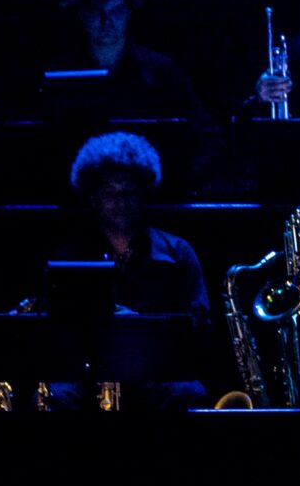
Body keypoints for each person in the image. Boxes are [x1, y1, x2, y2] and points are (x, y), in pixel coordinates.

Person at [55, 132, 211, 411]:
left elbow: (199, 324)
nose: (120, 201)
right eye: (110, 193)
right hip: (89, 375)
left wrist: (141, 326)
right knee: (56, 397)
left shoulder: (177, 251)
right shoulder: (71, 256)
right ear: (94, 199)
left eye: (129, 192)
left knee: (188, 393)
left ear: (143, 195)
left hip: (157, 374)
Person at [55, 0, 221, 183]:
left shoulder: (161, 72)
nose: (107, 21)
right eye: (96, 11)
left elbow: (207, 137)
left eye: (116, 11)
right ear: (81, 13)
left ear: (129, 11)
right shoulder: (60, 74)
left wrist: (174, 181)